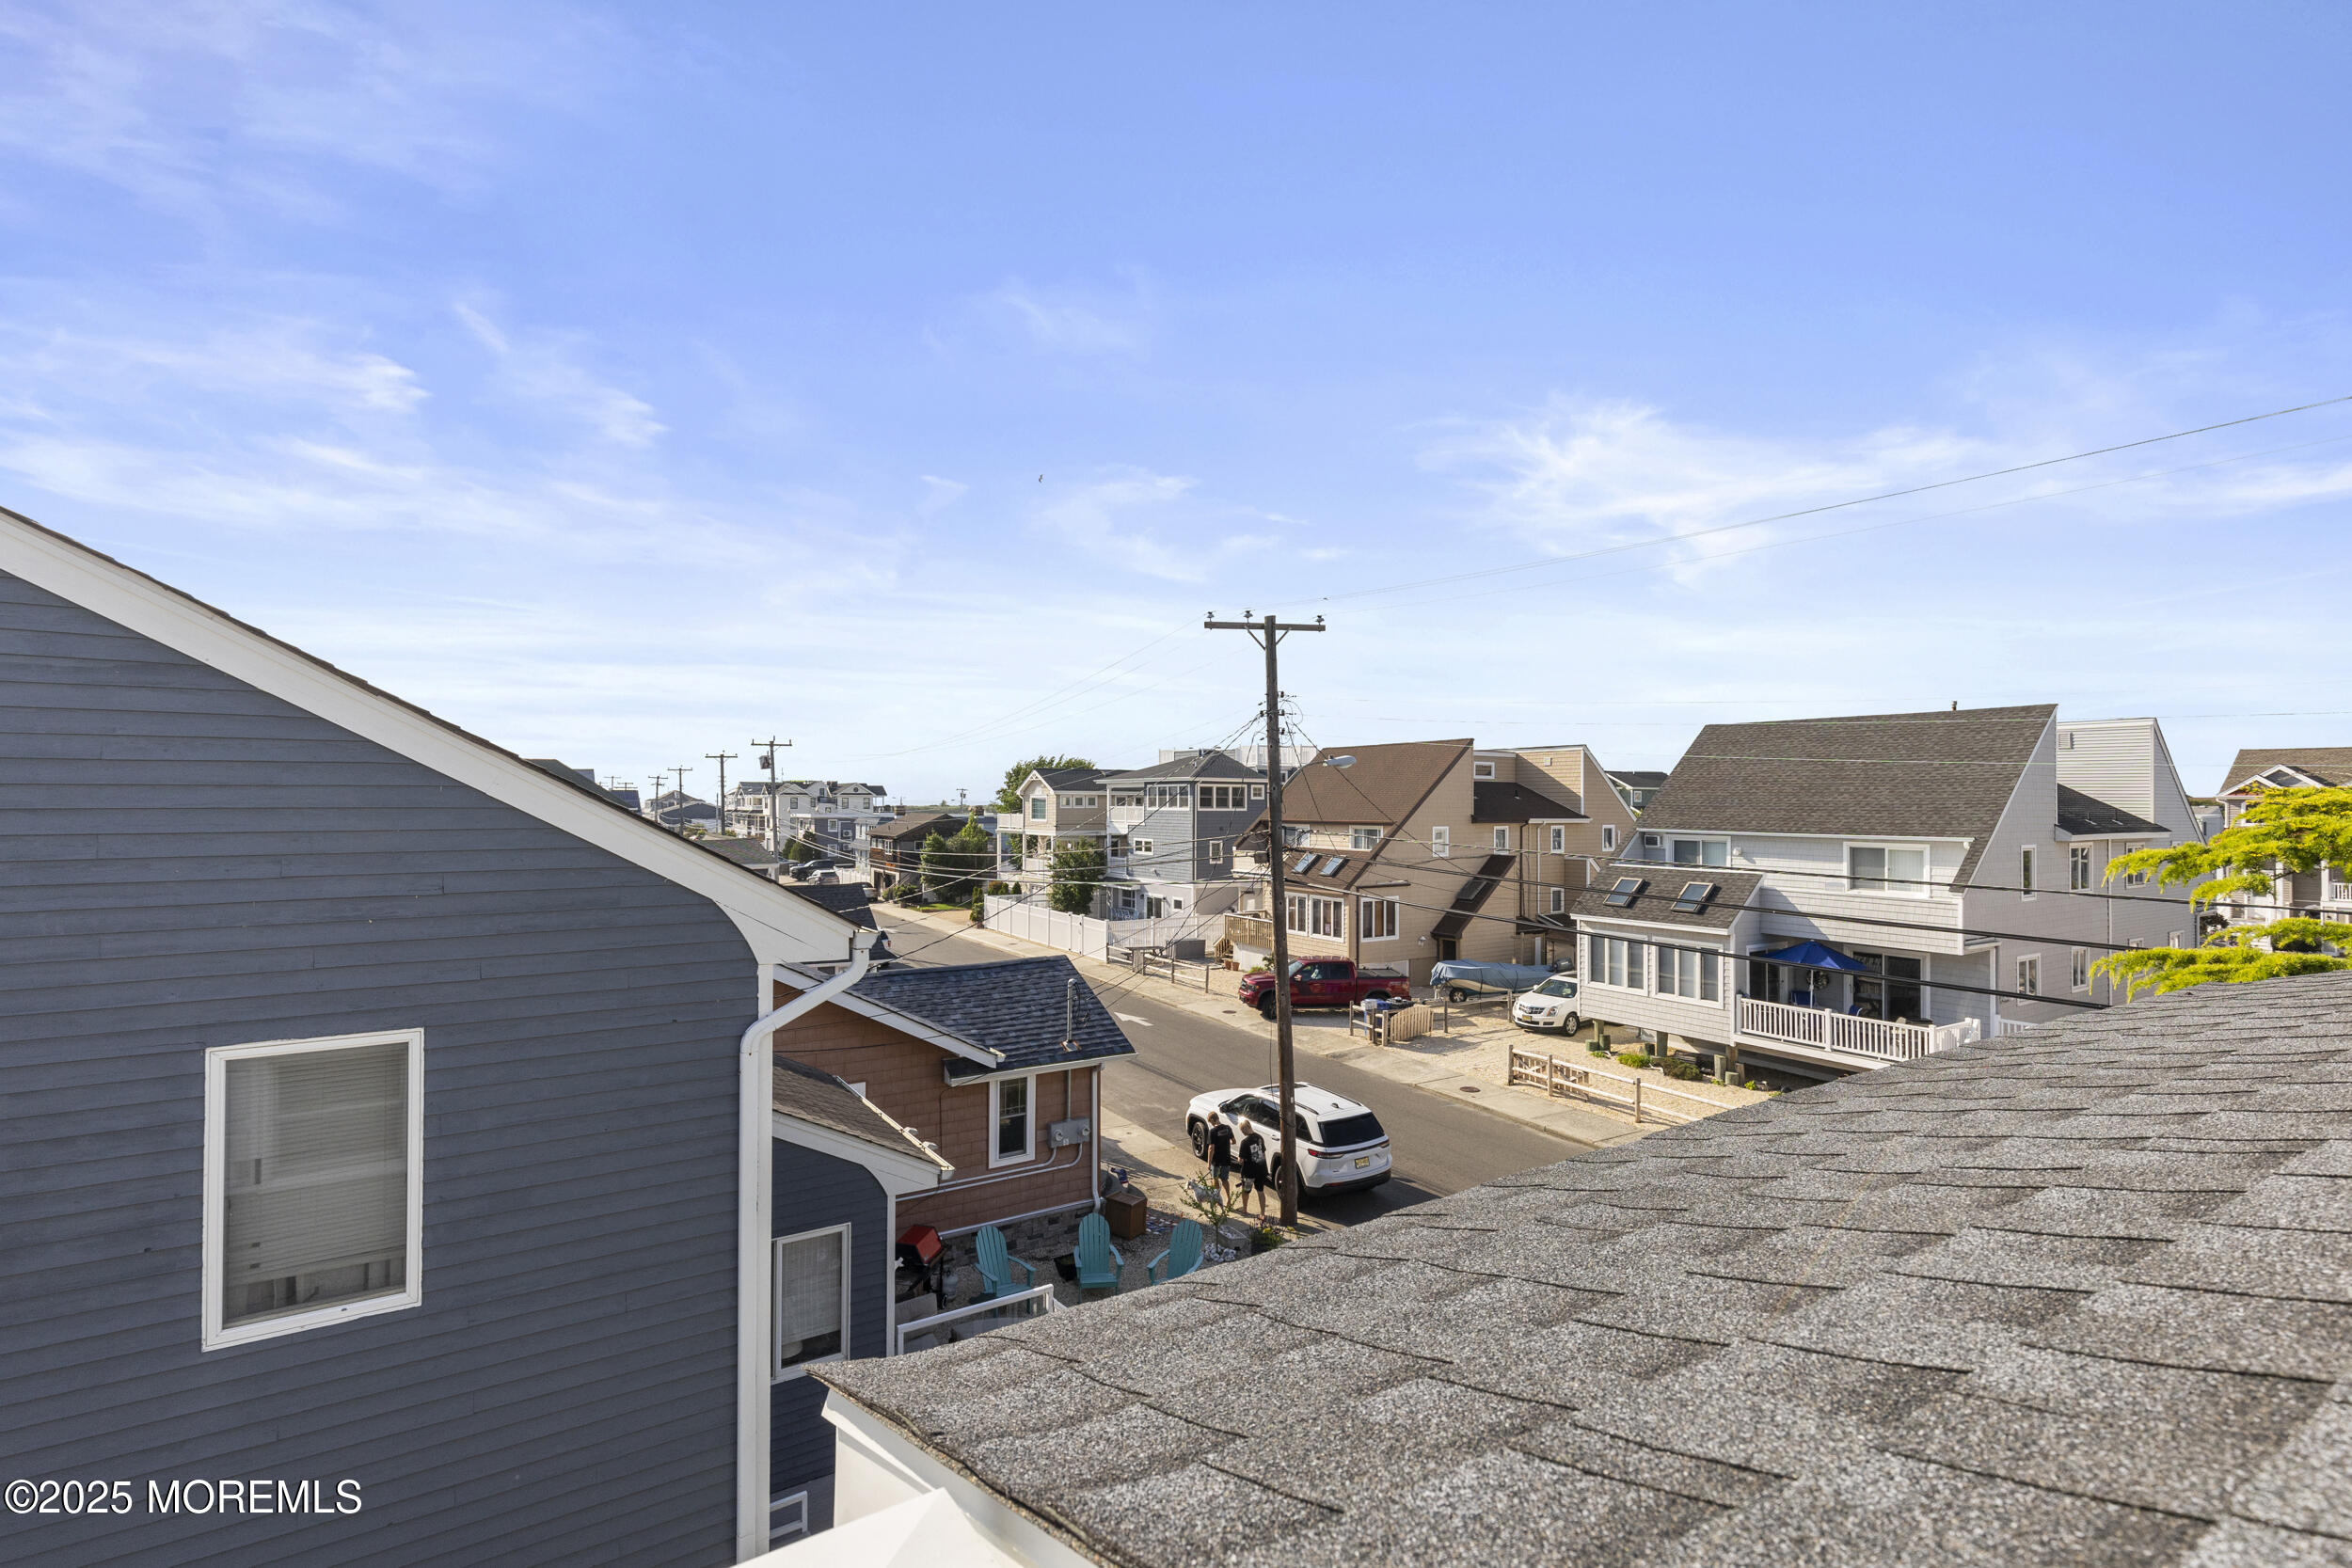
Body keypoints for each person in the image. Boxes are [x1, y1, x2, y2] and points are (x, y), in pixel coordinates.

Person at [1239, 1132, 1271, 1223]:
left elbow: (1241, 1159)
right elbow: (1263, 1152)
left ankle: (1244, 1209)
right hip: (1261, 1169)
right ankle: (1263, 1214)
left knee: (1246, 1191)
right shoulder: (1259, 1137)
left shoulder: (1244, 1142)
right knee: (1260, 1191)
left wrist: (1240, 1161)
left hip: (1249, 1172)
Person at [1206, 1116, 1236, 1202]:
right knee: (1225, 1179)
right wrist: (1226, 1142)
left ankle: (1216, 1198)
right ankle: (1228, 1199)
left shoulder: (1212, 1131)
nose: (1211, 1124)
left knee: (1215, 1179)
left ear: (1212, 1120)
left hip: (1216, 1161)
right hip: (1226, 1158)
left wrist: (1208, 1163)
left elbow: (1211, 1148)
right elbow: (1233, 1141)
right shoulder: (1227, 1128)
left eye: (1210, 1122)